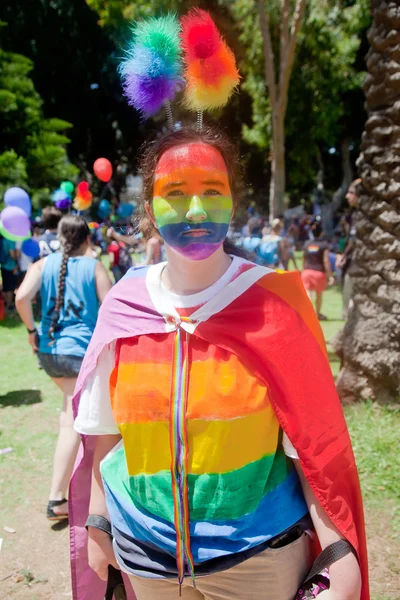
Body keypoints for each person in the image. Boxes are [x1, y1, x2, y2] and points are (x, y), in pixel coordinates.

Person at [70, 127, 368, 600]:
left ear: (233, 202)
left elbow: (312, 449)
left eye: (213, 191)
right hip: (147, 560)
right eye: (175, 193)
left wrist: (336, 548)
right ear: (149, 209)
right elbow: (104, 435)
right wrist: (99, 522)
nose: (195, 210)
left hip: (260, 560)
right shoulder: (123, 306)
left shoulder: (276, 305)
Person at [15, 215, 112, 520]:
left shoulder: (42, 264)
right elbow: (112, 309)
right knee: (72, 421)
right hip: (80, 355)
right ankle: (57, 499)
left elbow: (21, 297)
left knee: (70, 416)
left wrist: (32, 331)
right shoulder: (94, 266)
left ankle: (69, 491)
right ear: (87, 240)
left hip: (50, 352)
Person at [301, 220, 334, 321]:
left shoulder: (307, 244)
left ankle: (308, 314)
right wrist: (330, 275)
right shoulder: (324, 245)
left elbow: (303, 258)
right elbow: (326, 261)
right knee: (319, 295)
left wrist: (303, 269)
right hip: (319, 273)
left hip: (307, 272)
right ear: (322, 232)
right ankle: (317, 314)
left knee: (308, 294)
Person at [340, 179, 360, 320]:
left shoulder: (366, 217)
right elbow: (350, 239)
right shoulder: (351, 216)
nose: (347, 196)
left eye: (351, 193)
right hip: (351, 261)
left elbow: (354, 240)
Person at [0, 233, 18, 310]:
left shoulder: (2, 240)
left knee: (5, 286)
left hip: (3, 265)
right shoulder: (10, 241)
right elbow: (12, 255)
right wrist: (17, 260)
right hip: (11, 266)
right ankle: (9, 305)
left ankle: (6, 302)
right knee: (10, 287)